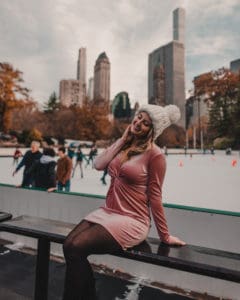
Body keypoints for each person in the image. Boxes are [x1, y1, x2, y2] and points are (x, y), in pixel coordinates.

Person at [62, 104, 186, 300]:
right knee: (68, 244)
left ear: (152, 130)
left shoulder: (156, 155)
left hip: (133, 219)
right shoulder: (125, 146)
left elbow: (155, 197)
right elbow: (98, 164)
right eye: (138, 117)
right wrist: (122, 139)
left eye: (146, 123)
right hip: (108, 212)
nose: (138, 123)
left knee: (76, 247)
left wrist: (165, 236)